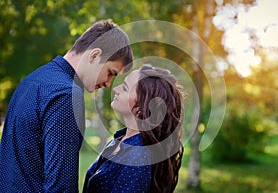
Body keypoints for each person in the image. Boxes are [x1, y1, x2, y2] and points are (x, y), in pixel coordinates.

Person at [0, 20, 133, 192]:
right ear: (94, 55)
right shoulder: (67, 95)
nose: (108, 84)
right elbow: (61, 186)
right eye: (110, 73)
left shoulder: (34, 79)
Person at [83, 64, 184, 193]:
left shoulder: (138, 156)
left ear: (142, 107)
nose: (116, 89)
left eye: (125, 88)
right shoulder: (120, 139)